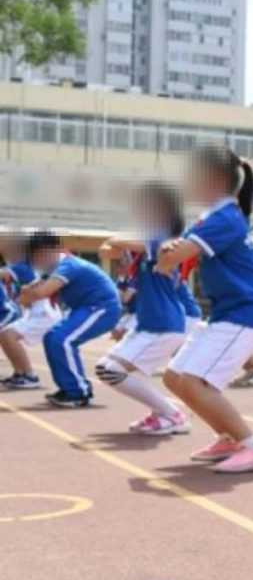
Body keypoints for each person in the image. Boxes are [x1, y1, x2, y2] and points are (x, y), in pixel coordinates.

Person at [157, 145, 253, 474]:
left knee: (196, 382)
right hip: (227, 311)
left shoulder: (225, 217)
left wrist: (168, 253)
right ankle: (228, 437)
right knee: (176, 377)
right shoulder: (212, 217)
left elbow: (176, 256)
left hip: (245, 312)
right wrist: (170, 249)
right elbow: (176, 248)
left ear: (215, 179)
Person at [96, 181, 190, 434]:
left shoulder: (165, 241)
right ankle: (163, 413)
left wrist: (118, 241)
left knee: (110, 370)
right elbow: (105, 251)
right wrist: (118, 244)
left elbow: (119, 243)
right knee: (111, 369)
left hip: (164, 324)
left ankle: (172, 414)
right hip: (148, 323)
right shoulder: (140, 249)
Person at [16, 233, 121, 407]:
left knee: (62, 339)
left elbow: (40, 293)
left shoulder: (68, 265)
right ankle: (68, 387)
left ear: (52, 251)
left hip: (101, 308)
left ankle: (78, 392)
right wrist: (28, 292)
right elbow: (29, 296)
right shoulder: (54, 269)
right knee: (51, 337)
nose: (36, 262)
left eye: (38, 256)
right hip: (85, 309)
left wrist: (28, 292)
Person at [0, 241, 61, 389]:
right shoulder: (28, 265)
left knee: (8, 336)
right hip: (38, 311)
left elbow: (3, 274)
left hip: (44, 312)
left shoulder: (22, 265)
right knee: (5, 335)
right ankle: (20, 373)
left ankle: (29, 375)